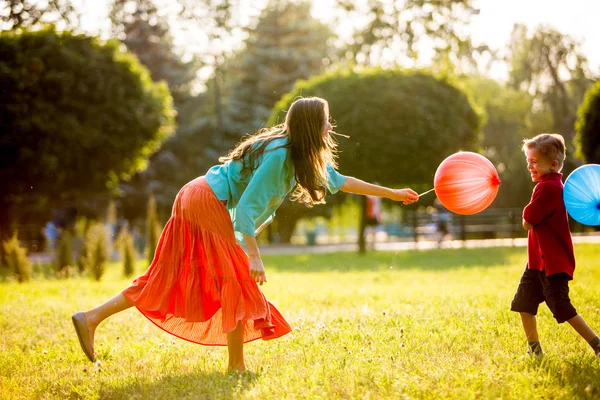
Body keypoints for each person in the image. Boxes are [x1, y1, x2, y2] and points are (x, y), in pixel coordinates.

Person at [71, 97, 420, 372]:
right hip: (207, 200)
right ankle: (236, 366)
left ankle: (91, 318)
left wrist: (392, 193)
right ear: (313, 126)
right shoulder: (280, 157)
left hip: (198, 194)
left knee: (170, 275)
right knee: (236, 281)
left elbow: (341, 182)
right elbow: (248, 212)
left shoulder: (297, 153)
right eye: (326, 120)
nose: (331, 126)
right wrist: (253, 256)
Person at [510, 133, 600, 358]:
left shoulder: (547, 188)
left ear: (552, 164)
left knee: (561, 306)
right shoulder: (553, 185)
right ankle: (535, 351)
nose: (530, 166)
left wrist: (526, 212)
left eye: (534, 162)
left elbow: (527, 222)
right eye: (528, 161)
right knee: (523, 303)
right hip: (536, 263)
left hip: (552, 263)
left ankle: (597, 344)